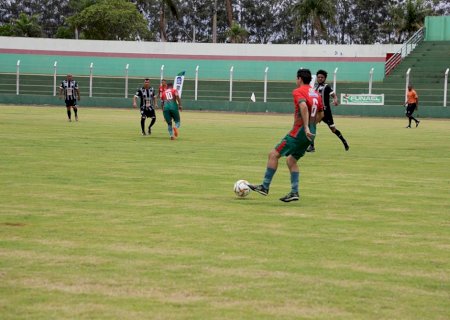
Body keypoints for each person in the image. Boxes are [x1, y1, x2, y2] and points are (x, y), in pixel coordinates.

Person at [248, 68, 324, 202]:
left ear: (299, 79)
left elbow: (304, 107)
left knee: (273, 154)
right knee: (291, 160)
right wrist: (311, 126)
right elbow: (321, 114)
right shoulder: (316, 94)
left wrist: (305, 127)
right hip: (311, 134)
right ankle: (294, 192)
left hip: (299, 132)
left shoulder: (298, 91)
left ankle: (265, 186)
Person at [307, 69, 349, 152]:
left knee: (333, 129)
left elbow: (334, 95)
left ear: (325, 78)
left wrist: (336, 99)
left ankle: (344, 141)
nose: (320, 78)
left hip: (326, 112)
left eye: (322, 77)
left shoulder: (327, 86)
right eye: (318, 77)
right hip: (318, 111)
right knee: (311, 126)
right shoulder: (314, 87)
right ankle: (312, 146)